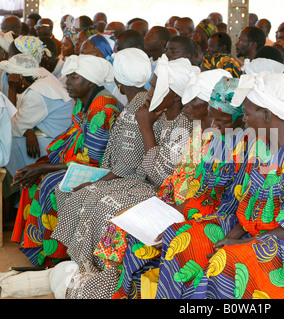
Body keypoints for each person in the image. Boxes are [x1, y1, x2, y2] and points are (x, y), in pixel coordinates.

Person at [156, 72, 284, 299]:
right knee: (179, 237)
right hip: (250, 230)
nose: (243, 120)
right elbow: (244, 201)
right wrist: (234, 236)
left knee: (227, 262)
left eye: (246, 114)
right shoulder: (259, 146)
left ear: (266, 114)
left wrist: (243, 243)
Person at [52, 55, 196, 285]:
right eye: (151, 84)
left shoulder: (183, 125)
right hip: (150, 182)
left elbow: (158, 178)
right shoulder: (160, 113)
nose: (149, 92)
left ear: (176, 95)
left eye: (155, 86)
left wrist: (145, 127)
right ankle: (81, 265)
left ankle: (99, 275)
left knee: (106, 206)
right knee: (88, 195)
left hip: (163, 191)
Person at [97, 70, 237, 299]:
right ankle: (112, 284)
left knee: (139, 234)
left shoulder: (226, 143)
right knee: (121, 221)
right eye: (186, 99)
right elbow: (176, 180)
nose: (185, 106)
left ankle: (123, 289)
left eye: (193, 101)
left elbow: (211, 195)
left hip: (195, 210)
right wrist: (159, 205)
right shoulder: (200, 133)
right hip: (175, 202)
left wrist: (170, 210)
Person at [10, 54, 121, 267]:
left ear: (90, 82)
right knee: (32, 173)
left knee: (50, 184)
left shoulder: (103, 108)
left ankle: (55, 258)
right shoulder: (83, 101)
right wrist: (41, 165)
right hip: (81, 161)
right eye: (68, 76)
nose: (67, 82)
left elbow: (91, 161)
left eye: (74, 77)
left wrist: (44, 167)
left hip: (100, 169)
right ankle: (39, 250)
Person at [0, 53, 74, 176]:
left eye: (8, 76)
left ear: (19, 77)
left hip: (59, 146)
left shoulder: (36, 93)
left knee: (10, 144)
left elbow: (12, 127)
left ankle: (18, 184)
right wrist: (29, 132)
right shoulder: (44, 82)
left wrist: (12, 89)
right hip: (60, 139)